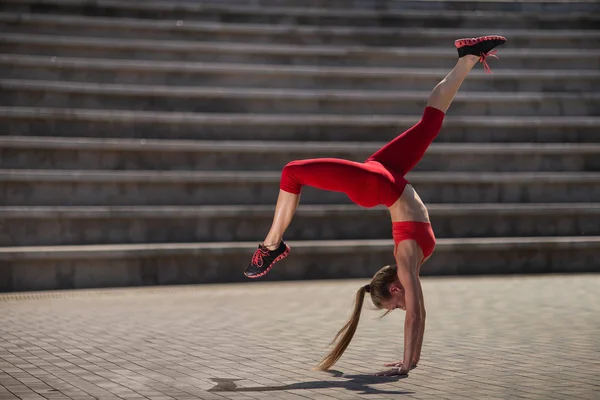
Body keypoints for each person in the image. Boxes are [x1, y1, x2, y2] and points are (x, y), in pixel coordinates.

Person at [244, 35, 506, 375]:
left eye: (393, 303)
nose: (401, 306)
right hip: (389, 175)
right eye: (395, 307)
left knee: (291, 173)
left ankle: (271, 246)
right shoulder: (409, 261)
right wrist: (409, 361)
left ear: (395, 288)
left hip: (376, 184)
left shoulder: (405, 260)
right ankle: (467, 58)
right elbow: (417, 313)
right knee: (431, 122)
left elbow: (417, 314)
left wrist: (407, 366)